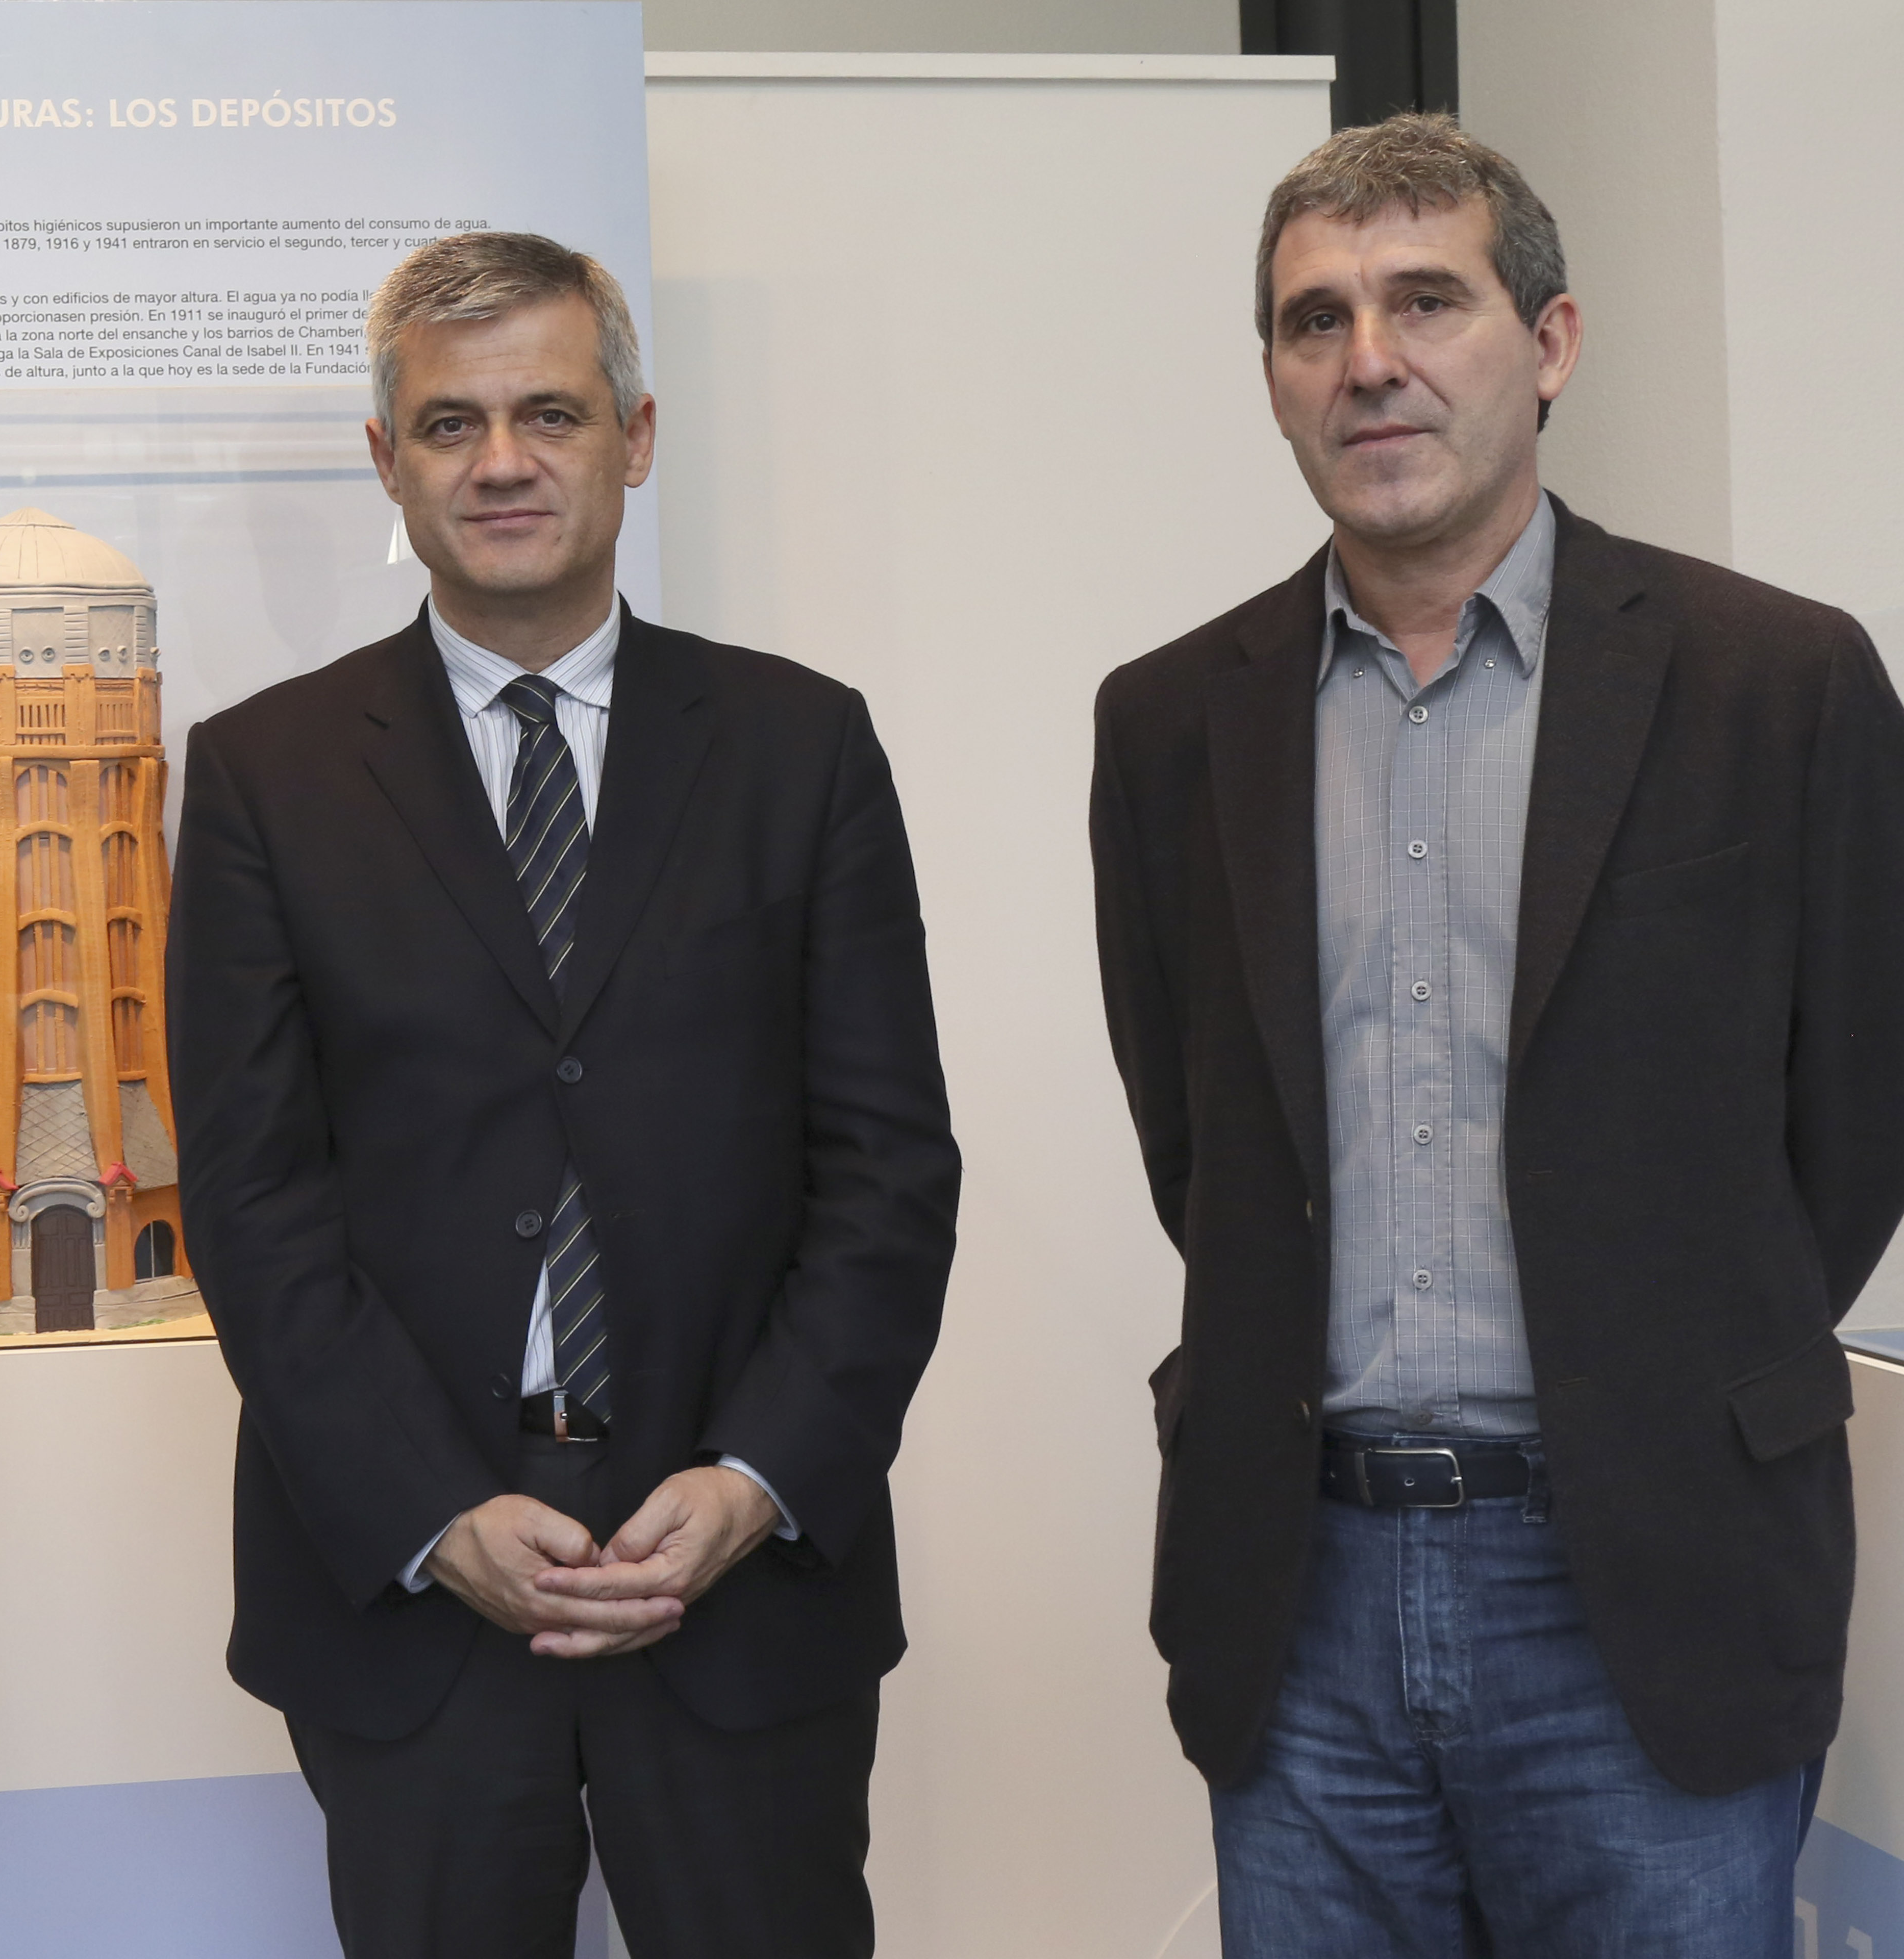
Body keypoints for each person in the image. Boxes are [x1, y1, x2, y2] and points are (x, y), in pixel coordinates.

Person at [1091, 113, 1904, 1955]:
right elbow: (1195, 1142)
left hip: (1650, 1586)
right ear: (1273, 377)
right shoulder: (1171, 724)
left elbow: (1858, 1116)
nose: (1367, 360)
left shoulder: (1778, 682)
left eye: (1425, 301)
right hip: (1298, 1595)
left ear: (1549, 344)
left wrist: (1677, 1360)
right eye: (1315, 320)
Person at [167, 231, 960, 1959]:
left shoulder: (803, 749)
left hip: (739, 1576)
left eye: (551, 413)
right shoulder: (264, 778)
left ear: (635, 437)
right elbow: (251, 1198)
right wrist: (429, 1512)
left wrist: (757, 1477)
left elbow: (890, 1170)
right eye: (450, 425)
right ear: (388, 462)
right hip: (416, 1596)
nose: (502, 462)